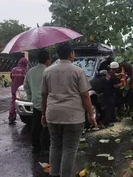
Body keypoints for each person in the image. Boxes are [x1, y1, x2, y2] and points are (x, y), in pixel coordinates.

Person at [41, 43, 97, 177]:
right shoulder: (77, 71)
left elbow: (44, 95)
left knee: (55, 146)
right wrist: (91, 115)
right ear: (71, 54)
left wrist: (43, 114)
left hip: (53, 115)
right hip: (73, 117)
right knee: (70, 148)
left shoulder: (47, 71)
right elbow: (85, 95)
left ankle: (54, 174)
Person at [24, 50, 51, 154]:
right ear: (47, 60)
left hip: (36, 102)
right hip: (48, 102)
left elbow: (26, 85)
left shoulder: (30, 71)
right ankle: (46, 146)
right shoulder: (49, 71)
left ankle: (36, 146)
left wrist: (31, 97)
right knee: (47, 125)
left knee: (36, 124)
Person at [9, 57, 28, 124]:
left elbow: (11, 77)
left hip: (13, 88)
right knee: (21, 102)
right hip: (20, 90)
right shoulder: (24, 70)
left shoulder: (13, 69)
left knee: (13, 101)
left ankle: (11, 116)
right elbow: (26, 80)